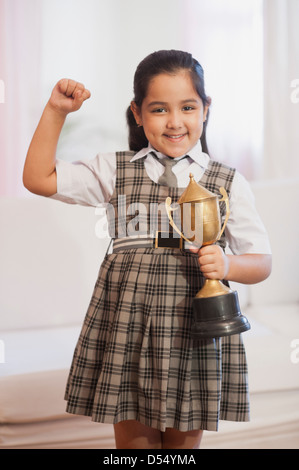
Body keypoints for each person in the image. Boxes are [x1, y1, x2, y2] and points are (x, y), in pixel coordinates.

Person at [23, 50, 272, 449]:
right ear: (138, 114)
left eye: (188, 107)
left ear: (205, 110)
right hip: (128, 329)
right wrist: (56, 110)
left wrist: (227, 263)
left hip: (195, 332)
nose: (175, 122)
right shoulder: (114, 170)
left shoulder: (227, 181)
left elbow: (261, 263)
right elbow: (38, 177)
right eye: (159, 109)